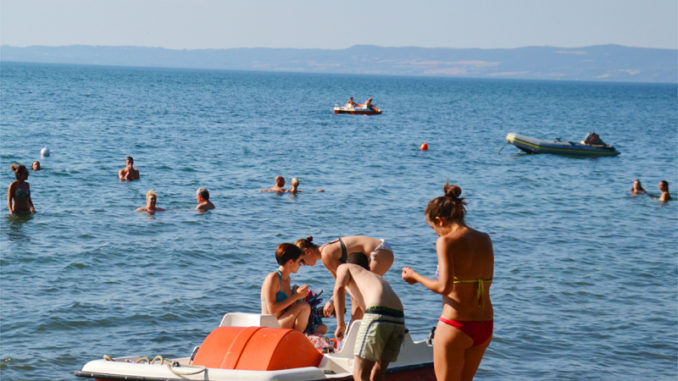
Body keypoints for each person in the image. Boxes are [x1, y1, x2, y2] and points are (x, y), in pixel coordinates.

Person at [401, 182, 493, 381]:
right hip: (485, 324)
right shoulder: (485, 238)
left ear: (439, 221)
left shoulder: (446, 242)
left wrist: (414, 276)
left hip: (456, 325)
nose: (435, 233)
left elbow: (444, 287)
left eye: (433, 227)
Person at [333, 252, 405, 381]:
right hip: (398, 318)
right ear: (368, 268)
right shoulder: (375, 277)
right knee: (377, 373)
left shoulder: (345, 267)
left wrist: (340, 324)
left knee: (360, 374)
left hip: (378, 314)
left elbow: (339, 288)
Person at [295, 235, 394, 319]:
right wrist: (337, 303)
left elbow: (345, 283)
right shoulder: (326, 254)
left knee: (359, 295)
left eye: (302, 261)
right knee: (356, 297)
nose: (303, 265)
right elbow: (342, 285)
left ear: (307, 251)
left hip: (379, 252)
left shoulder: (326, 255)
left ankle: (367, 327)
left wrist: (331, 302)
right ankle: (356, 328)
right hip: (380, 249)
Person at [260, 243, 312, 333]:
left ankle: (297, 338)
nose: (300, 265)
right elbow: (272, 309)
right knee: (304, 307)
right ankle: (297, 340)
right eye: (299, 261)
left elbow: (285, 307)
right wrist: (295, 296)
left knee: (320, 326)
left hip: (281, 321)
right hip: (270, 326)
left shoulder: (287, 279)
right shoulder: (273, 278)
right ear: (290, 262)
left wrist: (298, 296)